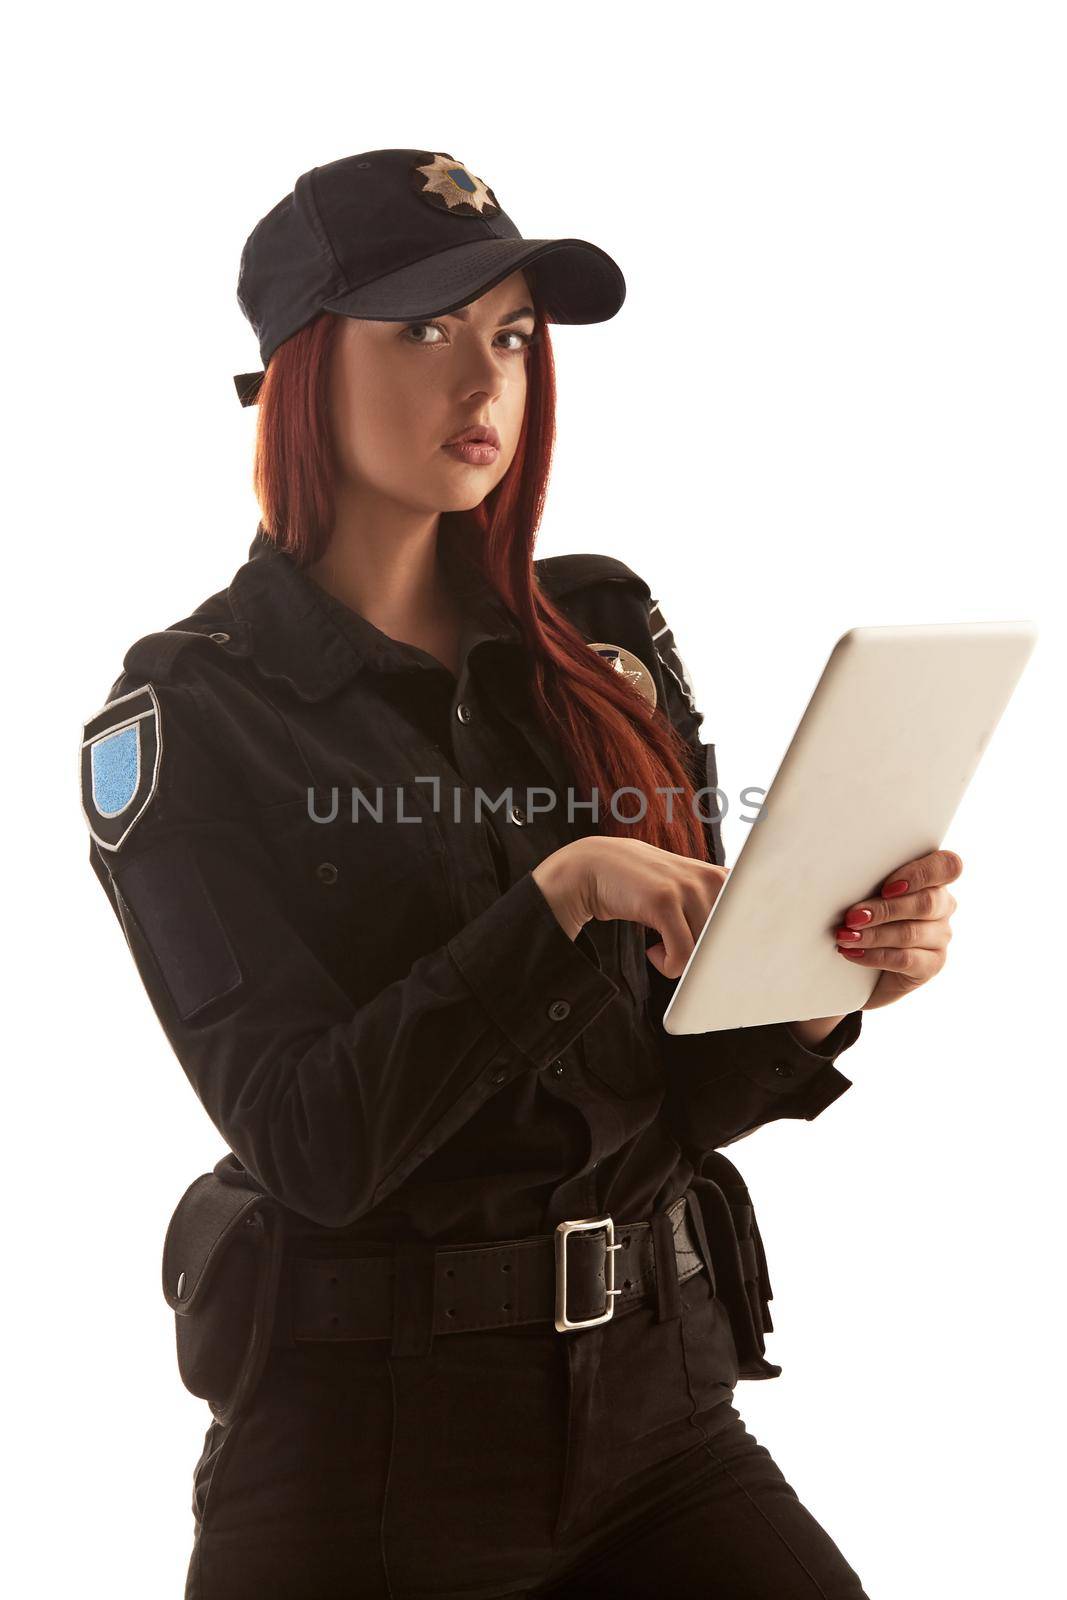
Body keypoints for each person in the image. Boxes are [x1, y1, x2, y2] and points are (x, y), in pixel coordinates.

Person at [80, 150, 962, 1599]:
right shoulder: (187, 719)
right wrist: (562, 901)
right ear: (302, 368)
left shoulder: (598, 643)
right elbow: (311, 1144)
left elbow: (685, 1101)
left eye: (509, 335)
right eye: (421, 331)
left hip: (660, 1413)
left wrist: (816, 991)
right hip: (372, 1457)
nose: (481, 385)